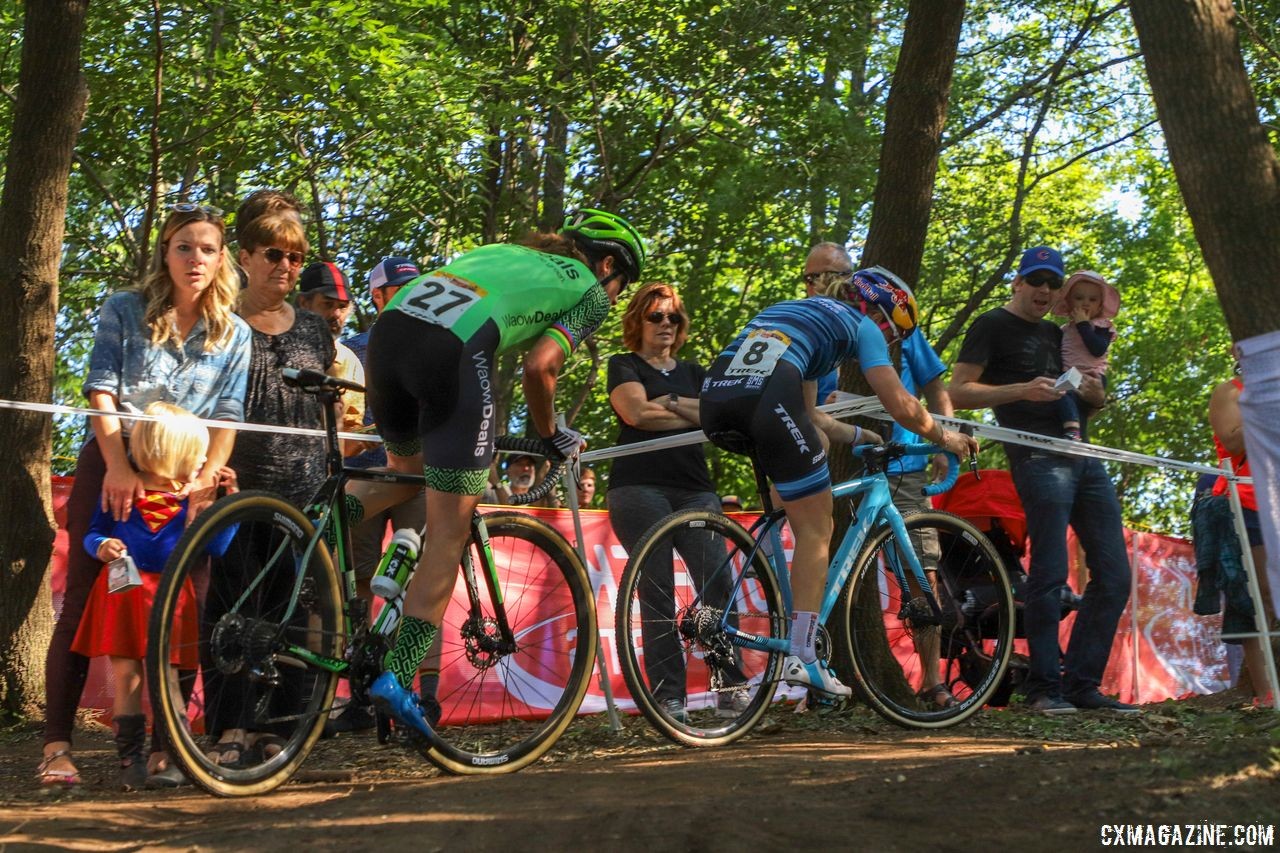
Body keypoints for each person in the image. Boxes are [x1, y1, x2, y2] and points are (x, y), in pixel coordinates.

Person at [354, 208, 646, 736]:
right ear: (607, 265)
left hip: (389, 336)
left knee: (403, 470)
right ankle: (397, 677)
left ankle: (311, 519)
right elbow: (541, 366)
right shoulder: (591, 289)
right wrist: (550, 433)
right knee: (449, 531)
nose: (618, 298)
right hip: (449, 355)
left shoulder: (504, 253)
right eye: (623, 286)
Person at [38, 203, 249, 788]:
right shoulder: (125, 308)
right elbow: (100, 391)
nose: (196, 258)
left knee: (186, 606)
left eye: (207, 248)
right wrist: (117, 467)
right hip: (113, 462)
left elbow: (228, 417)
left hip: (188, 474)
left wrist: (209, 476)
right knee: (84, 600)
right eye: (184, 246)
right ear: (165, 252)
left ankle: (165, 749)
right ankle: (57, 746)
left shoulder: (236, 332)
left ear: (221, 258)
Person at [700, 267, 978, 698]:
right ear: (883, 315)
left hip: (716, 400)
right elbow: (902, 405)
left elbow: (808, 412)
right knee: (818, 527)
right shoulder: (861, 324)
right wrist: (946, 436)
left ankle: (777, 590)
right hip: (767, 398)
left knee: (807, 476)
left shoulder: (798, 313)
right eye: (892, 332)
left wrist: (859, 435)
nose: (886, 341)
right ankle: (803, 654)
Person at [949, 245, 1138, 715]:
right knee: (1050, 573)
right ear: (1018, 282)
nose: (1044, 290)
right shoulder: (992, 324)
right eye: (1036, 280)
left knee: (1114, 576)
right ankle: (1043, 689)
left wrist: (1097, 395)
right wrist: (1020, 389)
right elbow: (956, 390)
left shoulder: (1062, 332)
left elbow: (1085, 390)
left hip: (1084, 457)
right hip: (1036, 457)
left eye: (1053, 284)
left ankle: (1081, 686)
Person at [206, 208, 335, 765]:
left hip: (304, 487)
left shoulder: (313, 328)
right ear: (247, 257)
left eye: (296, 257)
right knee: (232, 607)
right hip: (237, 484)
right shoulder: (220, 319)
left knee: (289, 610)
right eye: (275, 255)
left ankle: (278, 724)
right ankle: (229, 728)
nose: (285, 266)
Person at [804, 243, 958, 708]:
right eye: (812, 278)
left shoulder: (897, 325)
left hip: (902, 461)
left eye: (835, 275)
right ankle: (819, 674)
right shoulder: (816, 326)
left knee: (920, 573)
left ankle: (932, 681)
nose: (823, 285)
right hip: (838, 452)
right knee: (828, 563)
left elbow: (933, 388)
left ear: (856, 280)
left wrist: (943, 439)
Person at [70, 403, 238, 789]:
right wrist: (102, 545)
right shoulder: (122, 489)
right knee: (127, 675)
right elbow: (94, 531)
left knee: (168, 676)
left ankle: (177, 757)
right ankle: (131, 760)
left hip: (171, 595)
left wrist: (225, 505)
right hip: (123, 595)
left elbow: (218, 547)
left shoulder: (191, 499)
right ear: (171, 452)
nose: (202, 459)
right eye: (197, 451)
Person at [605, 282, 739, 721]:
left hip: (695, 486)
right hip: (637, 488)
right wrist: (682, 411)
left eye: (673, 318)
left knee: (717, 581)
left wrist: (672, 400)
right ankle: (669, 697)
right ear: (637, 321)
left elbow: (715, 417)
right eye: (656, 316)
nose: (666, 324)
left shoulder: (697, 372)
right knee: (656, 589)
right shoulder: (622, 363)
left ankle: (730, 684)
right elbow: (635, 413)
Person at [327, 256, 427, 736]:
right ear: (378, 296)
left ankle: (421, 696)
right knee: (359, 587)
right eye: (398, 289)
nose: (407, 295)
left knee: (426, 582)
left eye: (415, 287)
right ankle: (362, 696)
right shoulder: (350, 349)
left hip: (420, 477)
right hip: (364, 477)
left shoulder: (435, 344)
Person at [1207, 372, 1276, 702]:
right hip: (1247, 504)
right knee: (1258, 596)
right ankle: (1266, 693)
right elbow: (1232, 440)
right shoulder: (1229, 391)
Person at [297, 261, 366, 455]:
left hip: (327, 476)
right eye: (327, 304)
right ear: (304, 303)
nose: (336, 314)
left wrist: (367, 437)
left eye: (342, 307)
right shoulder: (277, 347)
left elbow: (347, 444)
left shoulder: (349, 361)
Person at [1052, 270, 1120, 441]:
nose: (1085, 303)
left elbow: (1097, 349)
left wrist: (1083, 324)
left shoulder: (1102, 326)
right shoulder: (1065, 331)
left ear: (1100, 305)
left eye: (1092, 299)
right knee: (1059, 392)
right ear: (1068, 302)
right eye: (1079, 298)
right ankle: (1073, 431)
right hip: (1071, 374)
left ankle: (1074, 431)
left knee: (1067, 393)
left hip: (1092, 376)